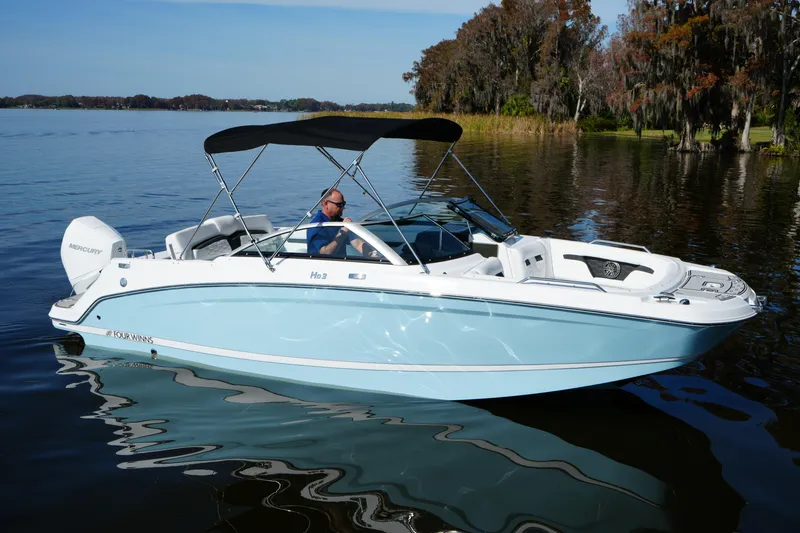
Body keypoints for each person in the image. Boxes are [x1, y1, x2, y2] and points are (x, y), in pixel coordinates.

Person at [306, 188, 376, 257]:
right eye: (339, 205)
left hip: (341, 262)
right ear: (326, 203)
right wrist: (342, 232)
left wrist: (374, 255)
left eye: (343, 204)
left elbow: (357, 243)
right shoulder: (316, 225)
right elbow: (325, 253)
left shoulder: (339, 222)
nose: (343, 208)